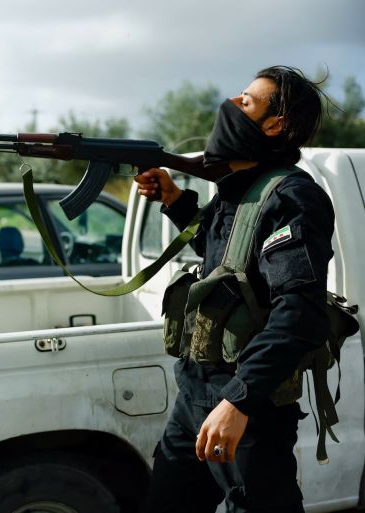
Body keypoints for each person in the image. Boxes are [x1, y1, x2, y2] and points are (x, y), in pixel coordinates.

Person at [137, 66, 333, 512]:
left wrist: (237, 402)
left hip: (249, 410)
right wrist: (174, 200)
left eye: (245, 101)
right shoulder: (236, 191)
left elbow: (300, 313)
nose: (230, 104)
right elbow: (230, 260)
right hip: (195, 398)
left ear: (275, 124)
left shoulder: (291, 198)